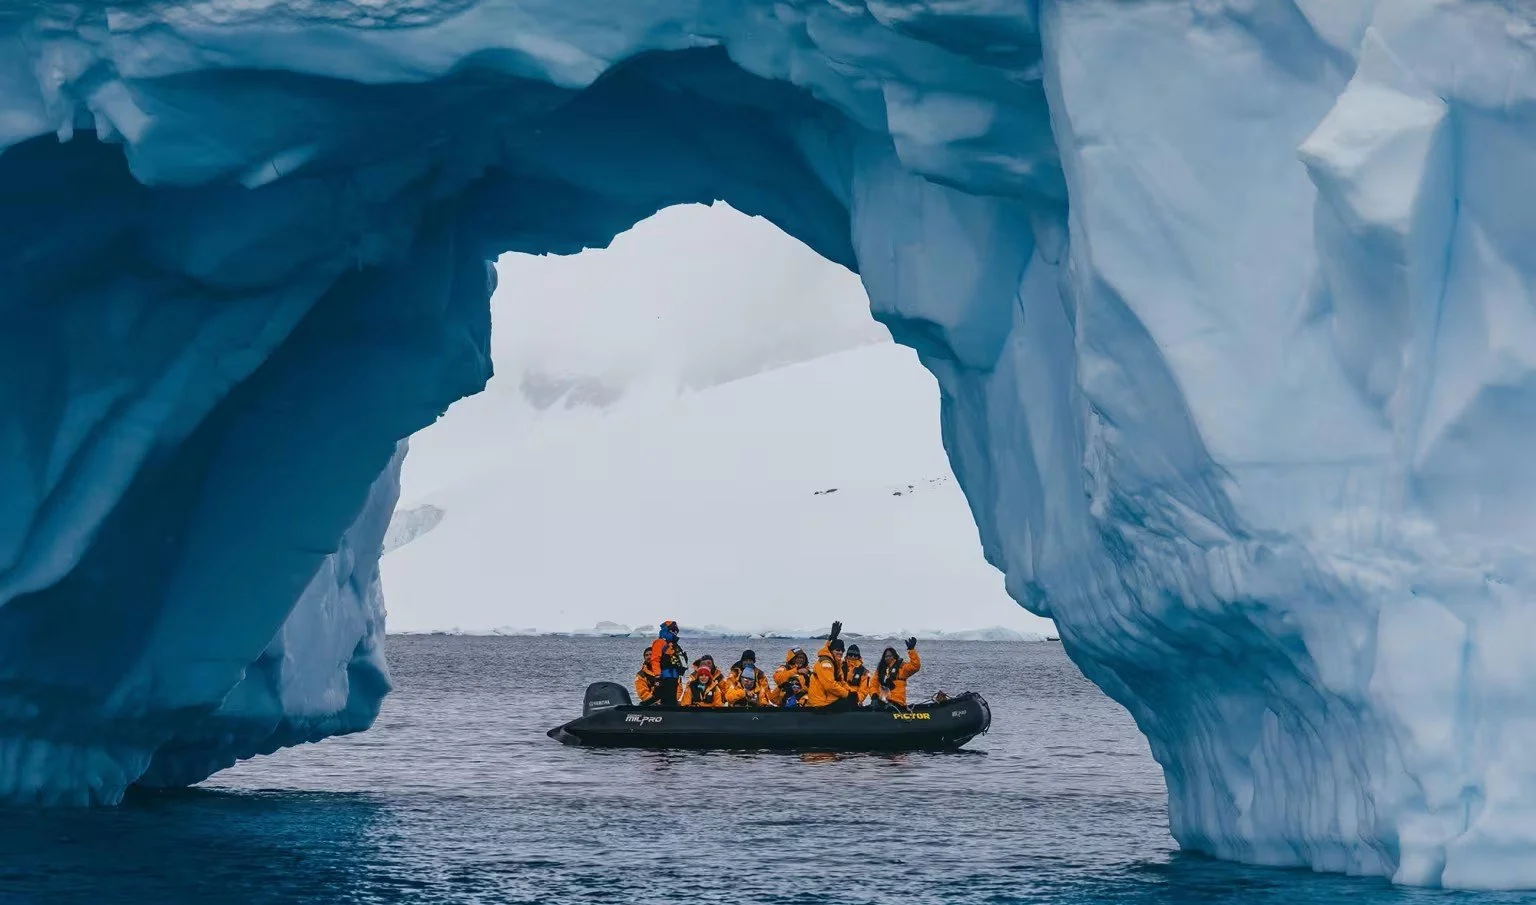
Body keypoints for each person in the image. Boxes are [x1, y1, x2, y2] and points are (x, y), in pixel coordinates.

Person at [807, 621, 854, 709]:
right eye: (837, 650)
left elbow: (841, 681)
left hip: (827, 698)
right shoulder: (826, 663)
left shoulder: (835, 662)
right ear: (831, 651)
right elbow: (829, 685)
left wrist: (852, 692)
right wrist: (847, 694)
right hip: (821, 701)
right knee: (848, 705)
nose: (840, 652)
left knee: (851, 700)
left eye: (841, 650)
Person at [639, 620, 686, 707]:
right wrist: (657, 675)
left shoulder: (673, 645)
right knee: (658, 696)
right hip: (664, 676)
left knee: (671, 699)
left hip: (674, 677)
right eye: (673, 631)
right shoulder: (659, 642)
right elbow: (655, 659)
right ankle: (640, 708)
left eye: (676, 631)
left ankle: (668, 715)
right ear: (667, 630)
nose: (675, 633)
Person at [876, 637, 922, 708]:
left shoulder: (901, 668)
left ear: (894, 656)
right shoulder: (881, 670)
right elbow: (873, 684)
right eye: (886, 656)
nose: (888, 658)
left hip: (897, 702)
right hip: (883, 701)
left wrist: (911, 650)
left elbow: (915, 666)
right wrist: (873, 695)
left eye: (890, 656)